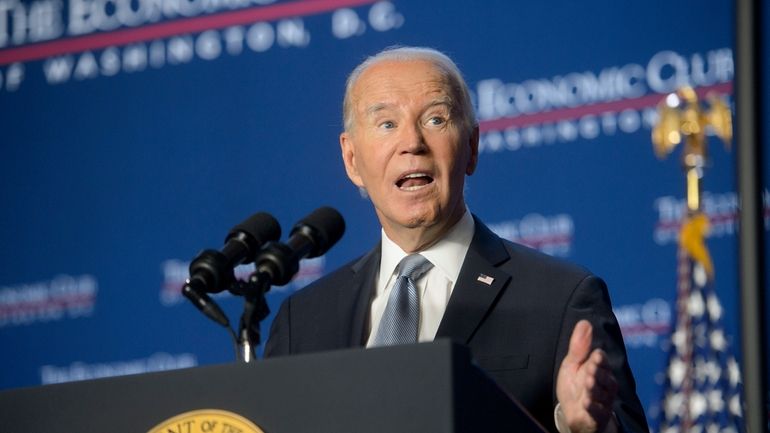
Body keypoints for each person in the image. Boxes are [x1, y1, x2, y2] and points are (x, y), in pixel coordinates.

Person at [265, 46, 648, 433]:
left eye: (435, 119)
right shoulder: (303, 321)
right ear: (351, 160)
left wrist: (583, 427)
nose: (412, 142)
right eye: (386, 124)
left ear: (472, 148)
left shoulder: (561, 297)